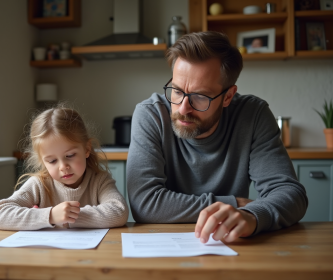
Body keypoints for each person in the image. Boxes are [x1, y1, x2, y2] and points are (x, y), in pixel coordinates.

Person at [127, 31, 308, 243]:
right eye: (176, 91)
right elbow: (145, 204)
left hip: (230, 245)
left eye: (199, 96)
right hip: (161, 244)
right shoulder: (151, 114)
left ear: (228, 96)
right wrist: (234, 204)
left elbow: (290, 194)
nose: (183, 108)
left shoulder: (252, 115)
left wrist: (252, 215)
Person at [0, 105, 129, 230]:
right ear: (43, 162)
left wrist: (69, 216)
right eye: (52, 161)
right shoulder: (40, 184)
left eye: (70, 155)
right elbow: (0, 215)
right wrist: (50, 216)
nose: (63, 167)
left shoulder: (99, 181)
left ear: (87, 149)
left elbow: (119, 211)